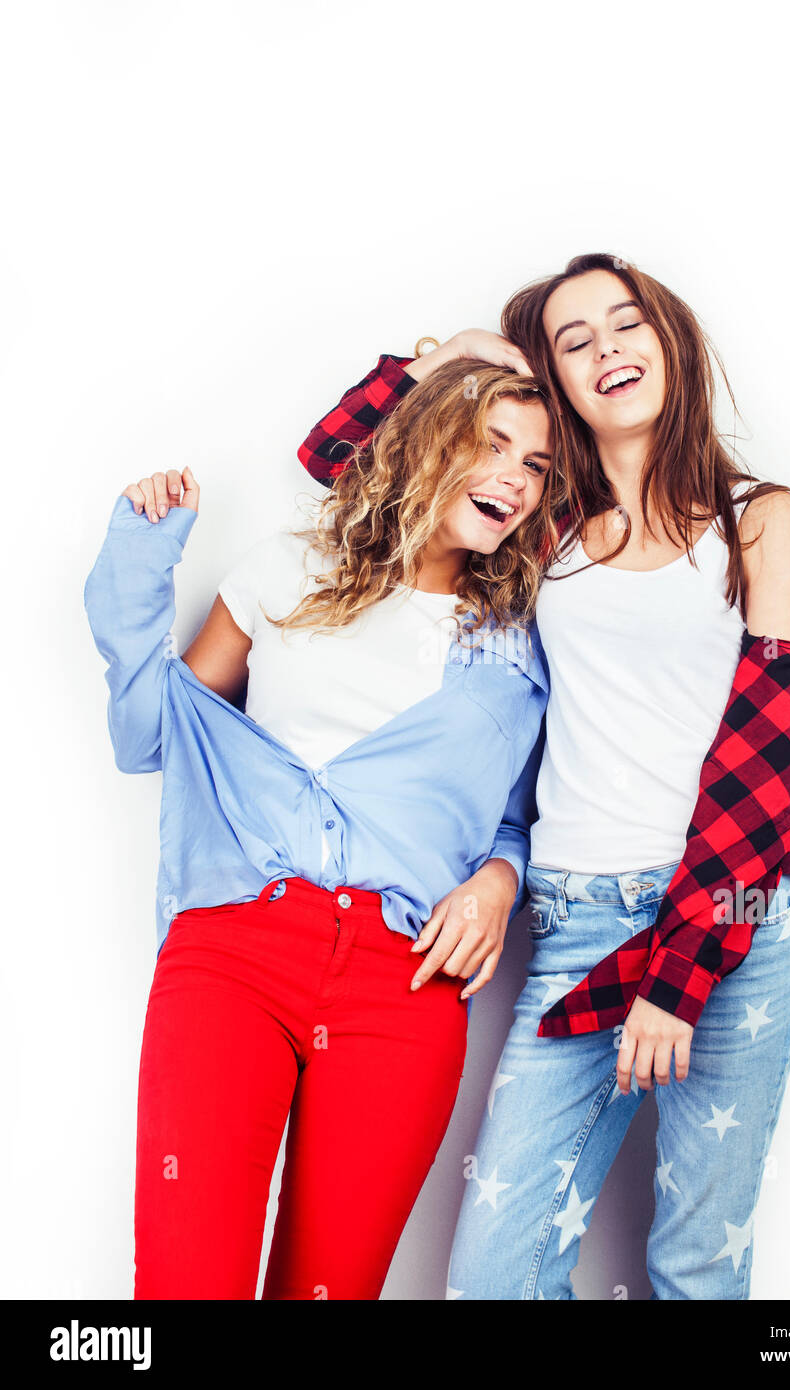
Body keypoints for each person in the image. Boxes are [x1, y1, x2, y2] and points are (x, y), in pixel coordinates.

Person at [294, 252, 790, 1299]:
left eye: (627, 324)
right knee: (494, 1276)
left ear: (671, 340)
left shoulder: (760, 519)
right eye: (573, 341)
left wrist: (680, 974)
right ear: (555, 379)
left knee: (696, 1265)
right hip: (580, 924)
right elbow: (338, 461)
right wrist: (449, 358)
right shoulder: (543, 526)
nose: (607, 350)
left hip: (731, 926)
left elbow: (768, 760)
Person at [83, 357, 563, 1299]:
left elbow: (513, 816)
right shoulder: (289, 566)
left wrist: (499, 881)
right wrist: (141, 562)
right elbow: (154, 737)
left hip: (407, 980)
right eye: (491, 442)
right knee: (187, 1282)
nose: (513, 476)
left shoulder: (517, 640)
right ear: (426, 438)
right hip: (236, 953)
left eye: (537, 466)